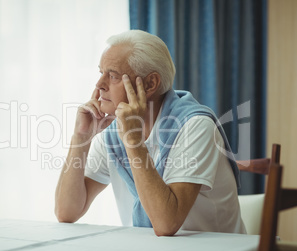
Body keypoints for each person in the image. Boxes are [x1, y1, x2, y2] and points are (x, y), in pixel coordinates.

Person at [54, 30, 246, 236]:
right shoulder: (112, 133)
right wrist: (81, 138)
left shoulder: (195, 126)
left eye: (112, 76)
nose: (99, 85)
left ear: (150, 84)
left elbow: (166, 224)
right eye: (101, 73)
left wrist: (133, 141)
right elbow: (66, 212)